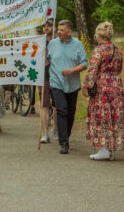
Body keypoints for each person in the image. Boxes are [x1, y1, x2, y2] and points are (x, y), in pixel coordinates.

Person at [82, 22, 124, 160]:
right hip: (116, 84)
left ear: (99, 35)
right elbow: (120, 68)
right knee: (114, 115)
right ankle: (110, 150)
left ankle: (103, 148)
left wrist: (87, 85)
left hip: (103, 85)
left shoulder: (99, 50)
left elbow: (93, 70)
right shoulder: (117, 50)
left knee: (102, 115)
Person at [47, 20, 87, 154]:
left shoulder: (78, 45)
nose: (58, 32)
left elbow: (84, 63)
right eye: (58, 29)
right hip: (56, 83)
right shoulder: (52, 44)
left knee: (70, 113)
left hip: (72, 85)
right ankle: (63, 142)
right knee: (62, 110)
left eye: (62, 30)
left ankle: (66, 134)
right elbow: (47, 60)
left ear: (69, 32)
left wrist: (72, 71)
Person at [37, 19, 58, 143]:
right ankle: (45, 133)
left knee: (56, 106)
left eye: (49, 25)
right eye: (44, 26)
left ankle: (56, 128)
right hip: (43, 77)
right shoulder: (39, 42)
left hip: (56, 77)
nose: (46, 27)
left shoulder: (57, 42)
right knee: (44, 106)